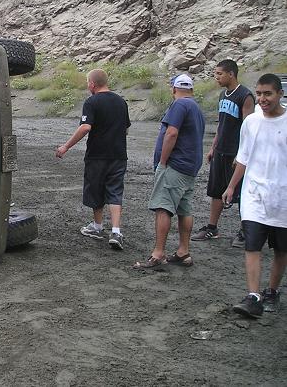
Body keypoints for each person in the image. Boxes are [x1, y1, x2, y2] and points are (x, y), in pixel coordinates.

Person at [224, 74, 286, 318]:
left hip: (282, 197)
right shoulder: (250, 122)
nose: (262, 99)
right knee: (252, 245)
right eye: (259, 94)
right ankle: (253, 296)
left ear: (280, 94)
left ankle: (272, 291)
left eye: (268, 94)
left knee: (281, 249)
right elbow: (243, 157)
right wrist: (231, 187)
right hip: (254, 194)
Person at [133, 74, 205, 268]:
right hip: (190, 166)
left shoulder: (179, 105)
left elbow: (171, 133)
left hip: (176, 165)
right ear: (191, 89)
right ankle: (183, 252)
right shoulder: (196, 107)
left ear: (174, 89)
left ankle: (158, 254)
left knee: (163, 207)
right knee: (184, 208)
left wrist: (163, 162)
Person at [56, 69, 131, 250]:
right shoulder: (121, 102)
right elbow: (126, 128)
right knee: (115, 191)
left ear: (92, 84)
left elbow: (85, 127)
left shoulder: (92, 101)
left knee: (96, 189)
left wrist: (66, 146)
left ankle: (97, 226)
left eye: (87, 82)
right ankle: (116, 231)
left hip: (97, 155)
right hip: (118, 155)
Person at [192, 60, 254, 246]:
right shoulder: (222, 95)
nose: (216, 77)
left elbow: (249, 128)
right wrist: (213, 147)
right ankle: (212, 228)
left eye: (219, 74)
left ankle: (245, 232)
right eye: (216, 74)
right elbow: (221, 124)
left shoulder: (245, 95)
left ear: (231, 74)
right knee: (216, 190)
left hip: (236, 152)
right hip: (221, 150)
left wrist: (241, 153)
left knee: (240, 193)